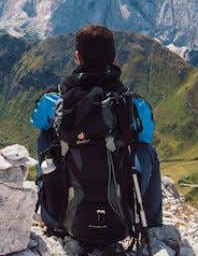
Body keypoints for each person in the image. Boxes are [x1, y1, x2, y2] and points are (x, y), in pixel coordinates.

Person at [31, 25, 163, 239]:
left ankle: (53, 212)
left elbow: (37, 120)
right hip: (120, 223)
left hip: (67, 223)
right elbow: (146, 136)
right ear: (115, 58)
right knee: (147, 149)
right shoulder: (131, 103)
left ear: (77, 57)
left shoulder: (54, 100)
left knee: (45, 136)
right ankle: (151, 221)